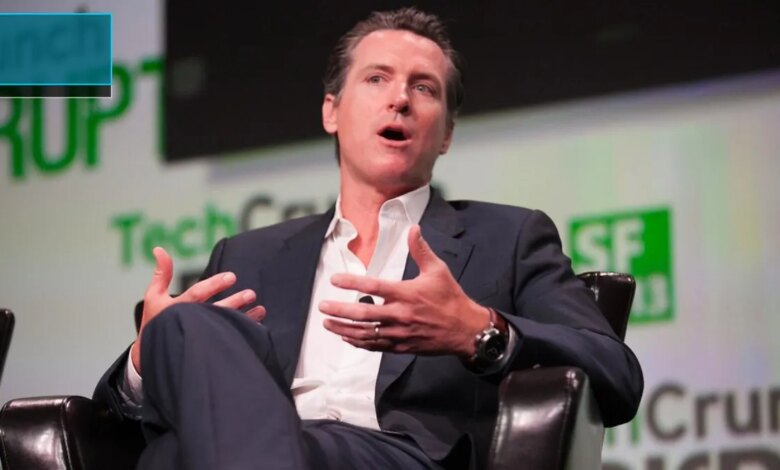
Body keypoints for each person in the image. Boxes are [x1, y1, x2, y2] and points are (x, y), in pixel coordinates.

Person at [94, 7, 643, 470]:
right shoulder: (248, 256)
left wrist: (477, 330)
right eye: (377, 79)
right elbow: (118, 420)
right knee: (181, 354)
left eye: (423, 87)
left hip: (399, 455)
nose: (399, 99)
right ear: (331, 111)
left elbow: (615, 375)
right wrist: (146, 357)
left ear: (446, 134)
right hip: (269, 447)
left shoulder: (509, 238)